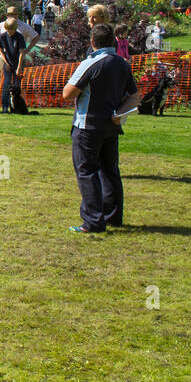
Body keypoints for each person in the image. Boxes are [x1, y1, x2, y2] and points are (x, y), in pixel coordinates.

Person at [62, 24, 137, 233]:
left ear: (92, 42)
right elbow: (134, 96)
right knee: (110, 170)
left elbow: (67, 94)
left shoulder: (92, 63)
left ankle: (93, 221)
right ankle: (113, 216)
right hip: (111, 125)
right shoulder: (123, 63)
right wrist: (118, 114)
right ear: (113, 41)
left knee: (86, 171)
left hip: (87, 126)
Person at [0, 18, 26, 114]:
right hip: (7, 64)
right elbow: (0, 50)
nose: (11, 32)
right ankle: (5, 106)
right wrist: (6, 63)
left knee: (17, 87)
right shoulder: (3, 36)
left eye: (12, 29)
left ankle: (16, 108)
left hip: (17, 64)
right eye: (9, 29)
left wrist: (19, 68)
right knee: (6, 85)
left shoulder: (19, 36)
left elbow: (21, 53)